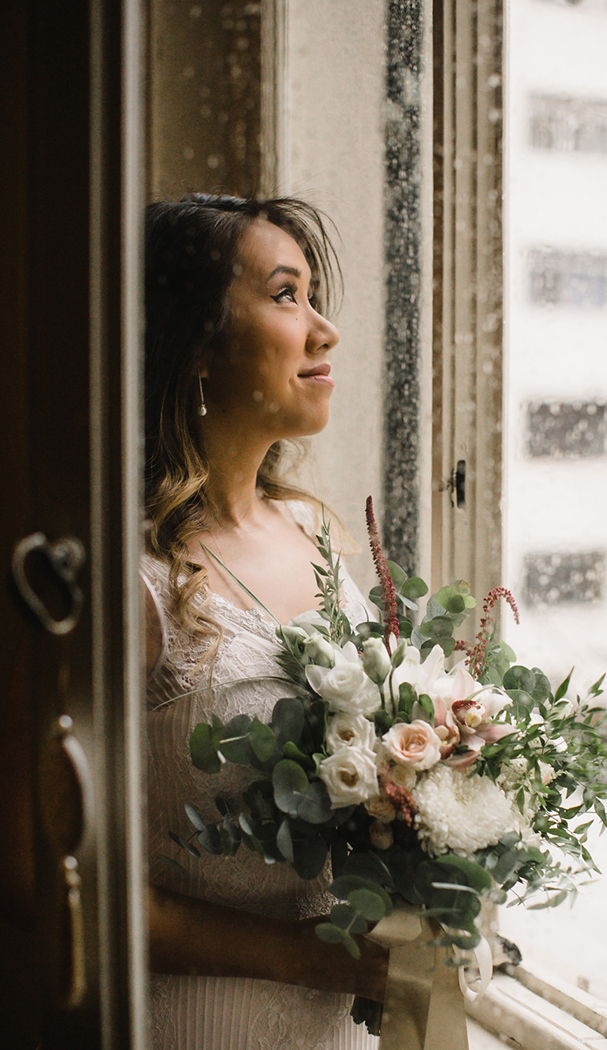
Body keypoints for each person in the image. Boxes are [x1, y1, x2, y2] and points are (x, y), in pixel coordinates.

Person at [142, 193, 387, 1050]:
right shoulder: (135, 580)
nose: (325, 331)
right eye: (287, 296)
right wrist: (316, 962)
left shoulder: (317, 532)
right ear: (198, 343)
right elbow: (41, 879)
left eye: (314, 296)